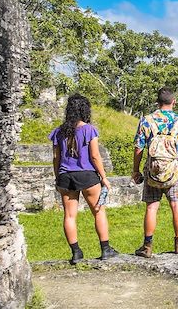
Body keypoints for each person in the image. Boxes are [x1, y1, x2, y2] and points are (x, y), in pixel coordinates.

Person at [49, 94, 119, 264]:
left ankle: (76, 253)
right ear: (85, 110)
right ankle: (105, 249)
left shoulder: (58, 132)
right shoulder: (89, 130)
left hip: (65, 176)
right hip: (87, 175)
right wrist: (104, 178)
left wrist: (58, 177)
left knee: (70, 216)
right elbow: (95, 156)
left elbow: (56, 158)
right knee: (98, 211)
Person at [132, 87, 178, 258]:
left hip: (153, 171)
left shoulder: (146, 121)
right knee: (176, 205)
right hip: (175, 171)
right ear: (174, 101)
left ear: (157, 102)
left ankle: (147, 246)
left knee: (152, 207)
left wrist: (135, 170)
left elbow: (139, 149)